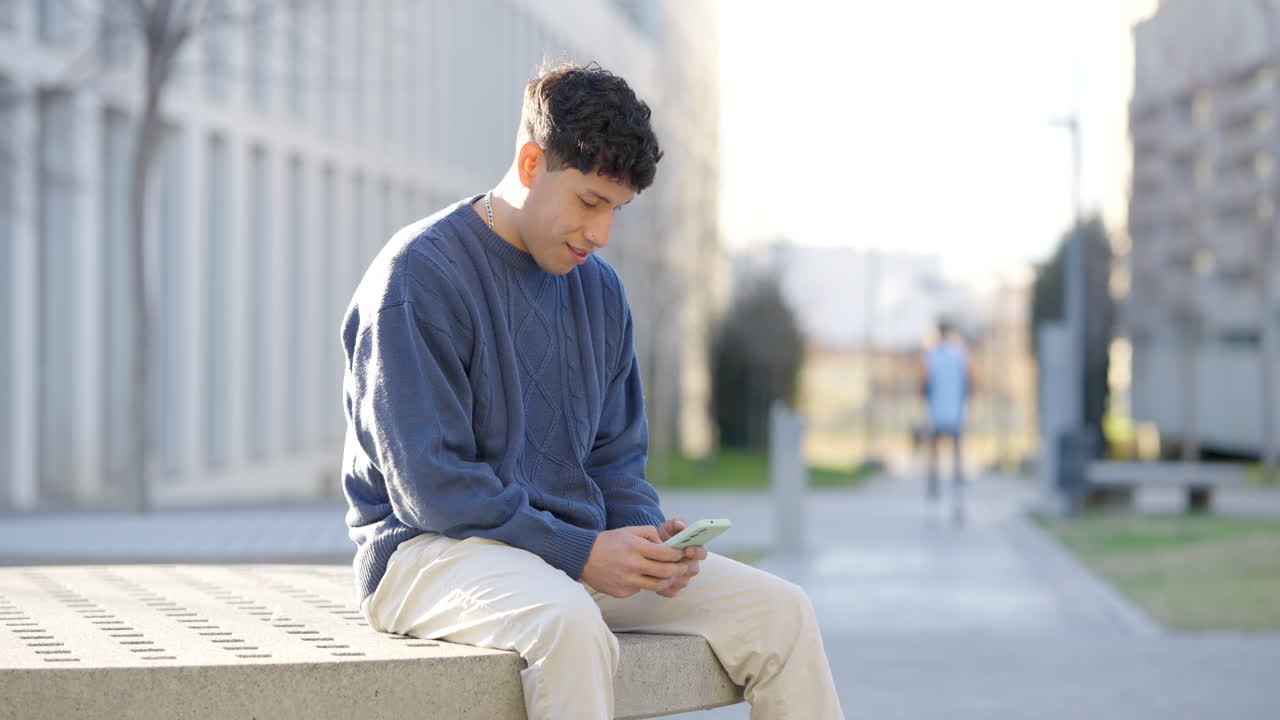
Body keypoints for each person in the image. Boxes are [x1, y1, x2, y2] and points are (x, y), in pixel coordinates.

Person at [340, 62, 844, 720]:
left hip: (564, 557)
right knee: (568, 623)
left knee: (782, 614)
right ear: (529, 163)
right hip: (425, 555)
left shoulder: (599, 291)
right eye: (589, 202)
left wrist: (643, 541)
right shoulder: (419, 276)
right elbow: (431, 487)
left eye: (617, 210)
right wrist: (581, 552)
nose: (601, 233)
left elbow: (613, 458)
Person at [920, 319, 972, 522]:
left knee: (935, 453)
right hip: (955, 411)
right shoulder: (959, 355)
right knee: (956, 453)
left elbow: (925, 383)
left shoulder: (931, 356)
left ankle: (935, 490)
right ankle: (956, 492)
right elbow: (968, 382)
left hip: (937, 411)